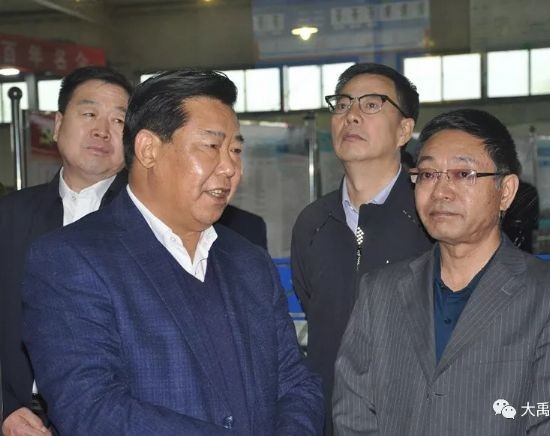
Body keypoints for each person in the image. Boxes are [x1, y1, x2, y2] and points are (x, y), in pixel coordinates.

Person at [21, 69, 323, 435]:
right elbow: (91, 407)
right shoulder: (71, 259)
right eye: (211, 147)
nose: (230, 168)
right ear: (149, 150)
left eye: (236, 150)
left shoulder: (248, 261)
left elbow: (295, 382)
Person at [333, 109, 550, 435]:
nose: (441, 191)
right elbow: (353, 413)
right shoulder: (380, 291)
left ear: (506, 191)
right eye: (428, 174)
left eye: (463, 174)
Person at [291, 62, 431, 434]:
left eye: (371, 105)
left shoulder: (431, 216)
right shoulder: (312, 223)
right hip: (330, 421)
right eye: (342, 104)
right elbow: (313, 309)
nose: (351, 115)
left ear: (404, 130)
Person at [0, 65, 132, 435]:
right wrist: (5, 409)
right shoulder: (8, 217)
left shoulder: (152, 225)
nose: (102, 130)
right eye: (89, 114)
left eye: (119, 121)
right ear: (58, 125)